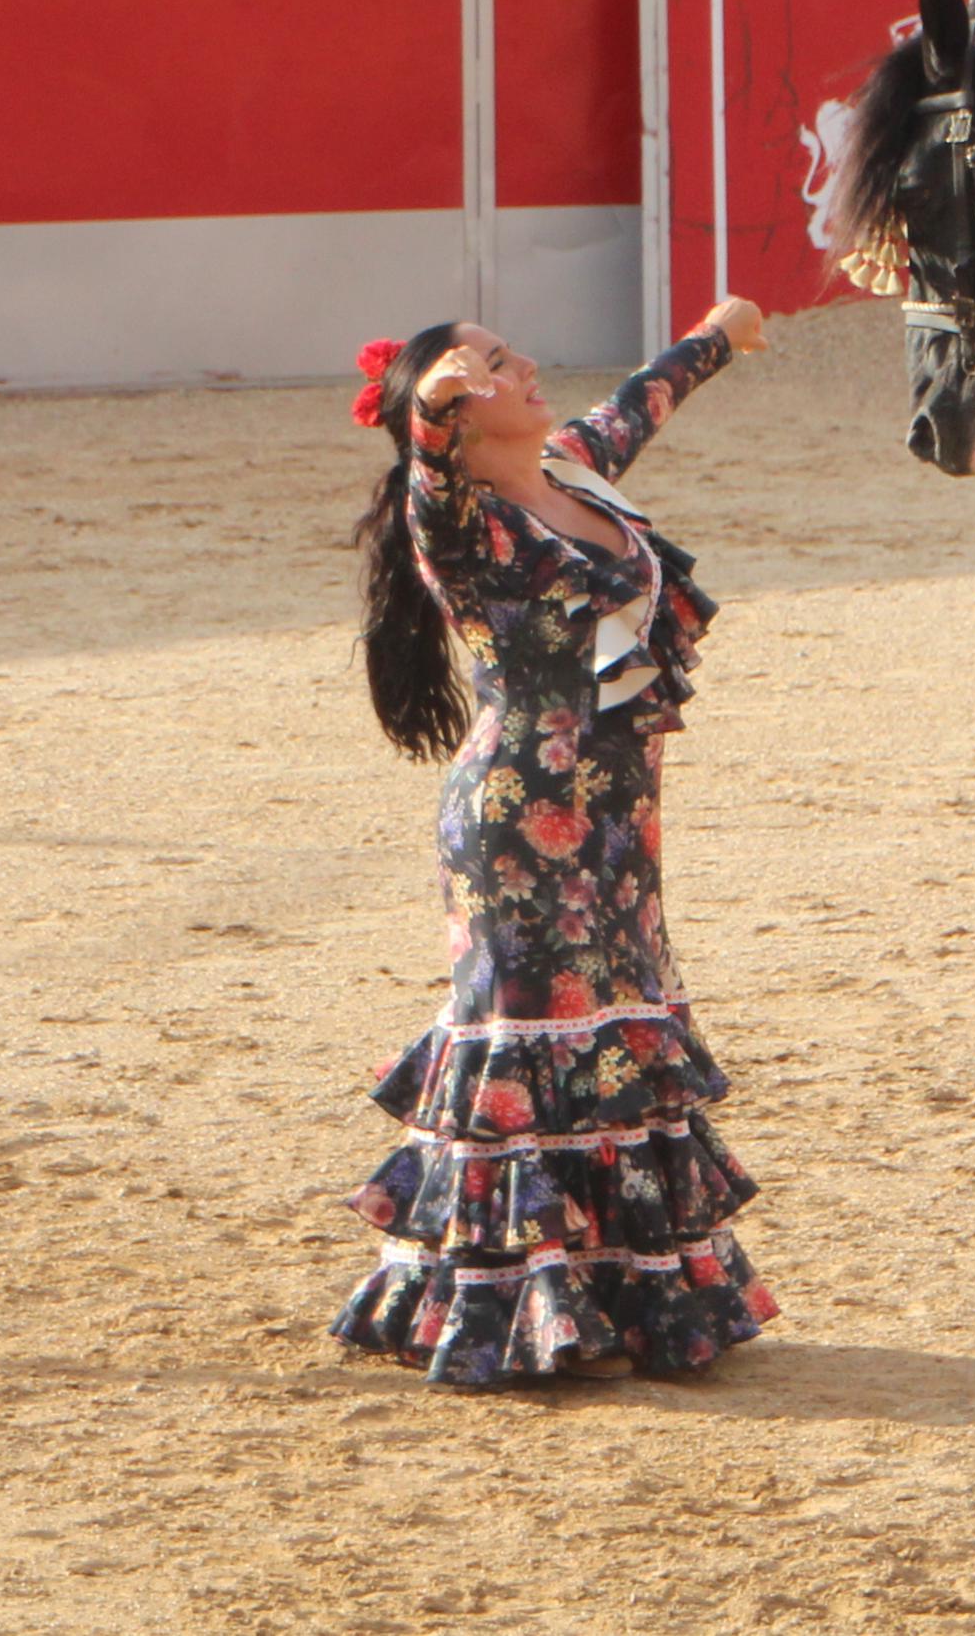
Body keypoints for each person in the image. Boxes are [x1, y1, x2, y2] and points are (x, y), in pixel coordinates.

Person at [331, 301, 782, 1387]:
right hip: (517, 831)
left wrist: (719, 335)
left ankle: (624, 1300)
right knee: (529, 1052)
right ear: (454, 406)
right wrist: (434, 410)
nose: (521, 365)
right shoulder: (459, 518)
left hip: (619, 824)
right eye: (492, 364)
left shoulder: (570, 467)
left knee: (614, 1039)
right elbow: (428, 468)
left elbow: (639, 406)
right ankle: (512, 1311)